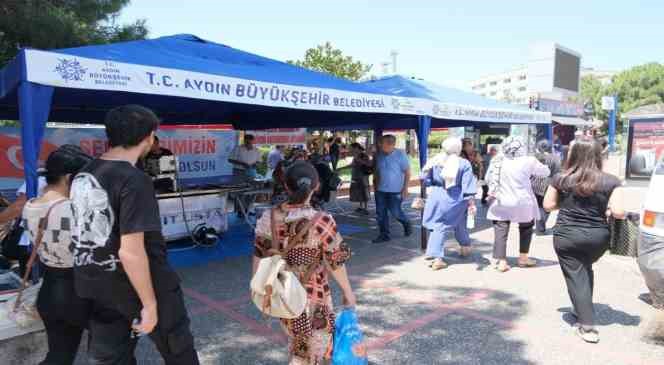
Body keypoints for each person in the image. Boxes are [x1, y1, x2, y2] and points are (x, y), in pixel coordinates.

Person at [70, 105, 199, 364]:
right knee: (178, 351)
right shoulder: (134, 179)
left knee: (112, 358)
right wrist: (149, 305)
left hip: (95, 282)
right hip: (141, 285)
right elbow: (131, 251)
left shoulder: (83, 173)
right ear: (149, 136)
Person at [253, 161, 356, 365]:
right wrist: (348, 292)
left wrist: (260, 290)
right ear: (316, 186)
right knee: (312, 352)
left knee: (298, 345)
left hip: (282, 296)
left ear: (286, 186)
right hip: (314, 297)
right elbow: (336, 262)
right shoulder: (322, 220)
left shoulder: (269, 217)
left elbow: (259, 256)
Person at [544, 138, 625, 344]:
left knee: (575, 274)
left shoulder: (561, 178)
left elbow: (547, 205)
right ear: (598, 155)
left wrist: (566, 202)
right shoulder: (611, 181)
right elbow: (619, 212)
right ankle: (581, 307)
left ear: (573, 154)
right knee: (584, 268)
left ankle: (587, 326)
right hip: (598, 238)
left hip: (567, 236)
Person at [21, 145, 92, 364]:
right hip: (78, 292)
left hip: (49, 291)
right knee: (111, 350)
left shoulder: (31, 205)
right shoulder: (72, 209)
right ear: (70, 178)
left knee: (59, 356)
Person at [486, 136, 550, 272]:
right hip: (523, 201)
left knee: (500, 228)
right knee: (526, 228)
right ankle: (523, 258)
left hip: (501, 200)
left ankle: (501, 261)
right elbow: (545, 172)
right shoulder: (528, 160)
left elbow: (487, 178)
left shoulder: (497, 160)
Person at [421, 138, 477, 270]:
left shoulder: (434, 160)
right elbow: (467, 186)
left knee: (441, 224)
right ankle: (437, 257)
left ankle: (464, 246)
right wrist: (471, 202)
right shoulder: (464, 163)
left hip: (436, 195)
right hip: (455, 197)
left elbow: (425, 180)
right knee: (449, 224)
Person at [373, 135, 412, 243]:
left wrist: (405, 189)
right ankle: (384, 234)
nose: (380, 146)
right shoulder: (379, 155)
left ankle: (406, 223)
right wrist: (375, 185)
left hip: (395, 191)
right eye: (380, 143)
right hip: (380, 190)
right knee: (381, 213)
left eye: (382, 144)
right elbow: (376, 170)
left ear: (391, 144)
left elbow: (407, 172)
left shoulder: (401, 155)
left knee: (396, 213)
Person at [532, 140, 561, 234]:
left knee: (538, 205)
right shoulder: (555, 158)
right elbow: (557, 172)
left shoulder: (534, 157)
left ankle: (539, 226)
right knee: (546, 207)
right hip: (549, 185)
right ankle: (540, 226)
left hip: (534, 185)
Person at [338, 143, 373, 215]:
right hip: (356, 175)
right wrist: (340, 168)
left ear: (356, 148)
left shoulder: (364, 155)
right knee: (358, 191)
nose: (351, 150)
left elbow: (368, 164)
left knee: (364, 191)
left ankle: (366, 208)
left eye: (352, 148)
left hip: (362, 176)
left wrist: (358, 159)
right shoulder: (356, 156)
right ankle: (361, 207)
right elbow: (352, 165)